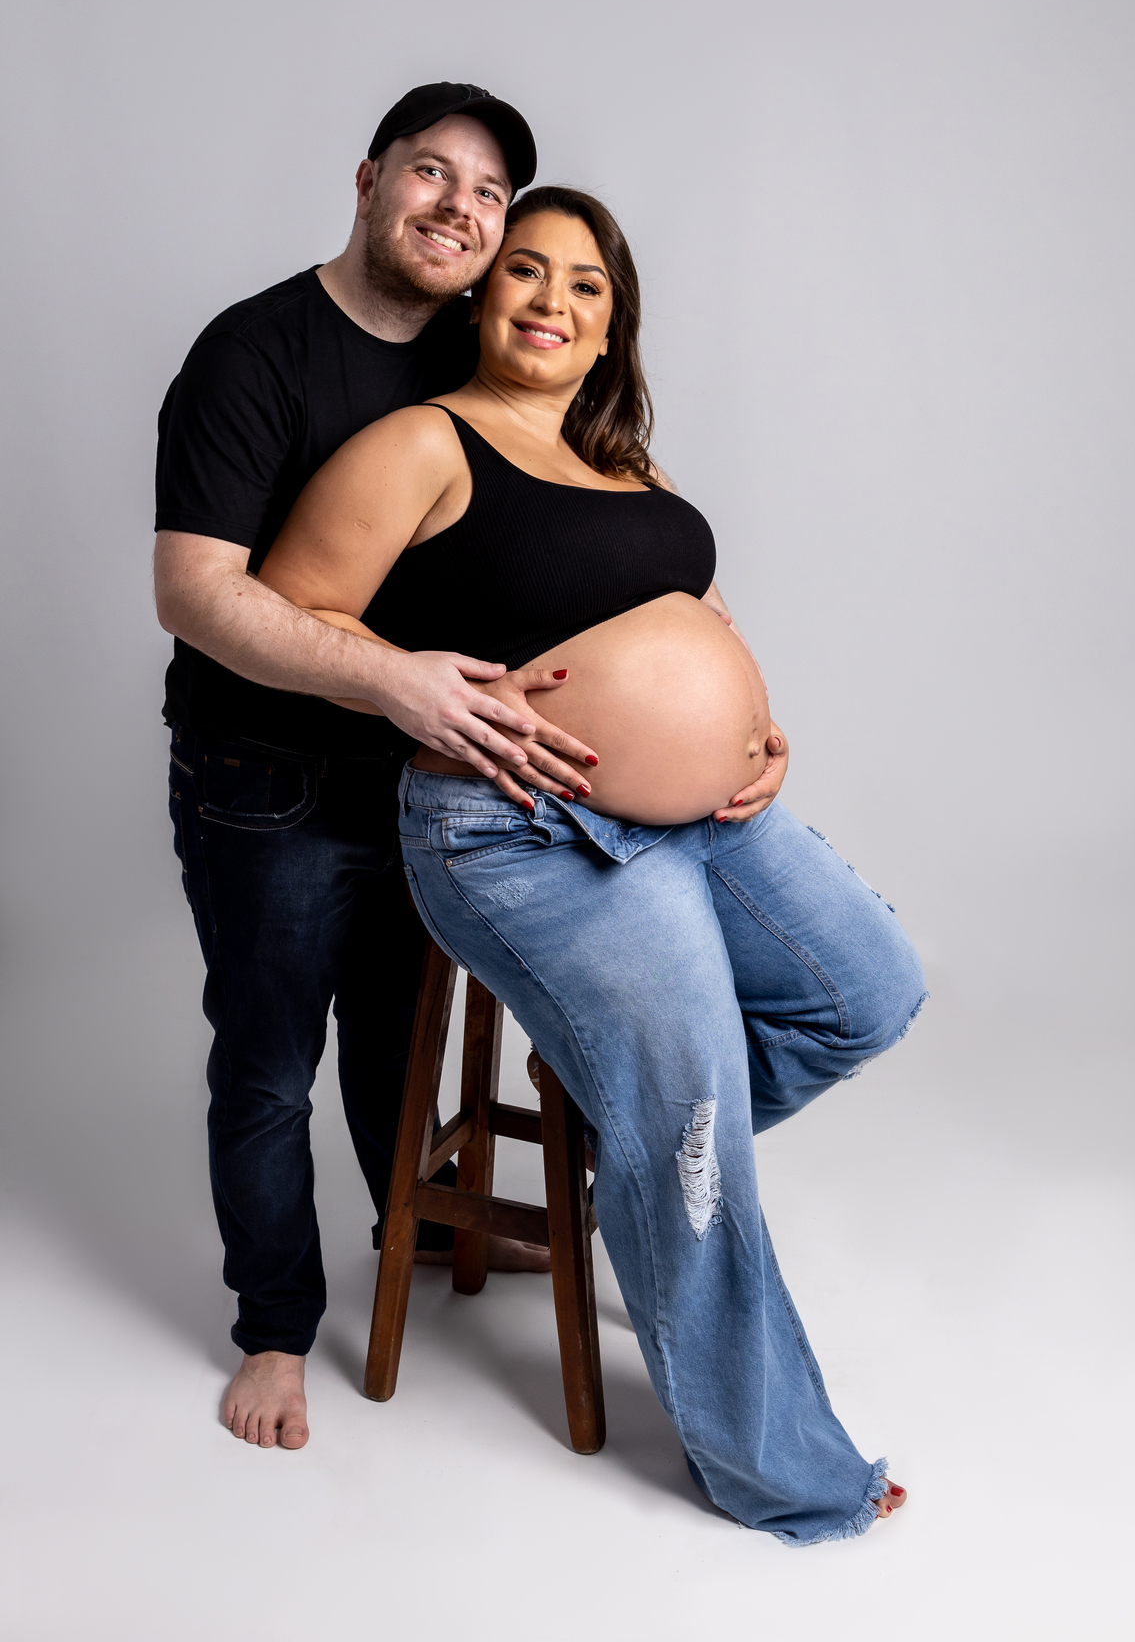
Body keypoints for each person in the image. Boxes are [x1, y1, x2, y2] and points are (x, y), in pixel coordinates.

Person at [257, 185, 925, 1543]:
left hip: (700, 818)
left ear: (613, 325)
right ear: (479, 295)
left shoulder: (633, 471)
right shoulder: (426, 442)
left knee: (866, 991)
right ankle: (782, 1470)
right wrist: (422, 686)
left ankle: (635, 1159)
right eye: (525, 271)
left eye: (585, 284)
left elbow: (698, 626)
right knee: (691, 1122)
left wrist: (755, 729)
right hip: (513, 826)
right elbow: (290, 607)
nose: (551, 301)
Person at [154, 84, 610, 1453]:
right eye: (431, 174)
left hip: (429, 782)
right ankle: (276, 1329)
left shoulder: (483, 354)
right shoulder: (254, 353)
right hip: (269, 776)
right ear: (368, 183)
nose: (459, 211)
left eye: (489, 197)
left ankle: (414, 1229)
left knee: (398, 1049)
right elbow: (195, 592)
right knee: (270, 1065)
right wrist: (392, 677)